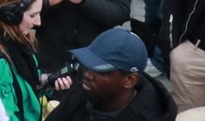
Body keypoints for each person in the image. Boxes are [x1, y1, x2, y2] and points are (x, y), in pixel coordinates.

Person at [0, 0, 69, 121]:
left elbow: (26, 83)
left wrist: (47, 81)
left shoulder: (13, 37)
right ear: (10, 15)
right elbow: (4, 115)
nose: (38, 22)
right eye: (32, 15)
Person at [46, 28, 177, 120]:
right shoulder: (84, 90)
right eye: (88, 65)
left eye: (100, 71)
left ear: (129, 80)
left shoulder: (147, 116)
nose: (87, 75)